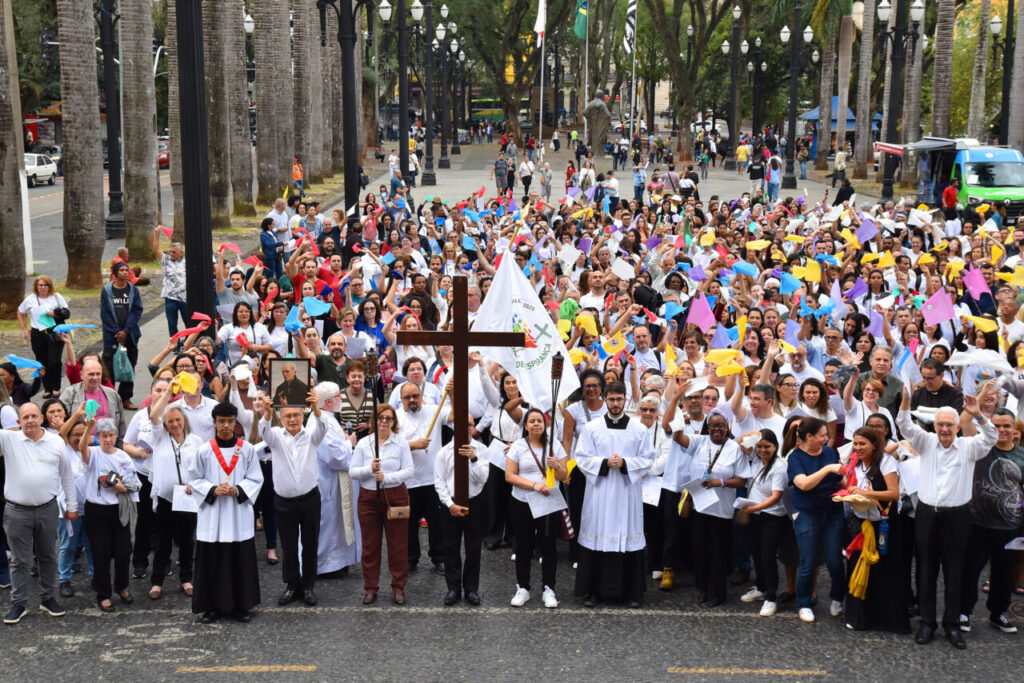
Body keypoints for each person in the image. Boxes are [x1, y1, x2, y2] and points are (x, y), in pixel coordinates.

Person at [896, 385, 997, 649]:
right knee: (926, 569)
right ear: (934, 426)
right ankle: (927, 623)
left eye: (949, 425)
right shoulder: (926, 442)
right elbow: (904, 425)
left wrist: (978, 415)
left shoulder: (969, 447)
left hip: (957, 516)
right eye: (940, 424)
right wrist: (905, 401)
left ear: (957, 427)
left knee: (955, 570)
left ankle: (952, 624)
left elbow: (991, 436)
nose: (944, 429)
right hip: (927, 514)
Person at [573, 381, 654, 607]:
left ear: (625, 399)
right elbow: (581, 457)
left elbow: (648, 458)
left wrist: (626, 463)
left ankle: (631, 594)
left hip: (627, 492)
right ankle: (592, 592)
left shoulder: (639, 429)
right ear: (605, 399)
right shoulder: (592, 428)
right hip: (600, 492)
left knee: (627, 536)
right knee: (597, 534)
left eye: (619, 399)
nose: (615, 403)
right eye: (611, 399)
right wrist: (604, 463)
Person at [1, 402, 78, 624]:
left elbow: (67, 476)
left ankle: (47, 598)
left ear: (42, 418)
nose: (30, 421)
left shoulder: (56, 442)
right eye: (25, 417)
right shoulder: (8, 439)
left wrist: (72, 506)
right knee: (19, 561)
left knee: (48, 556)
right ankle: (19, 603)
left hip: (48, 508)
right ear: (18, 422)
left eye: (34, 416)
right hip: (16, 511)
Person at [188, 401, 264, 623]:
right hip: (214, 514)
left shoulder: (246, 449)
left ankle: (241, 605)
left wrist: (238, 489)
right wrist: (213, 489)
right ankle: (212, 607)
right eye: (221, 421)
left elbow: (256, 478)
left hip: (237, 513)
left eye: (230, 421)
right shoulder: (204, 450)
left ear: (235, 422)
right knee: (212, 561)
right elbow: (194, 479)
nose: (226, 426)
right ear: (214, 422)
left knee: (239, 560)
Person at [259, 388, 327, 606]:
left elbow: (323, 427)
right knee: (288, 546)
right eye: (287, 416)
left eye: (296, 415)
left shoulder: (311, 436)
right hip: (284, 501)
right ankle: (291, 584)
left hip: (309, 499)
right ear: (281, 418)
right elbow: (263, 431)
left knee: (310, 544)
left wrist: (316, 407)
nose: (292, 419)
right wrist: (267, 412)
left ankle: (308, 586)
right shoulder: (276, 437)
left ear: (302, 415)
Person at [957, 408, 1022, 635]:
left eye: (1006, 426)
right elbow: (965, 421)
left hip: (1009, 526)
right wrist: (978, 405)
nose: (1002, 430)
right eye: (997, 426)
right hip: (978, 523)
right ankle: (964, 611)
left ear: (1015, 429)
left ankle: (998, 613)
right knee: (970, 571)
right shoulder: (981, 448)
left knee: (1004, 574)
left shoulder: (1022, 456)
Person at [671, 410, 745, 607]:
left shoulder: (734, 448)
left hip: (721, 510)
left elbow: (742, 480)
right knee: (700, 551)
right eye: (712, 426)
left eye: (721, 426)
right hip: (699, 507)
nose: (716, 429)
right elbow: (678, 438)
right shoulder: (700, 441)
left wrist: (721, 482)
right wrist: (679, 422)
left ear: (727, 428)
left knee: (718, 553)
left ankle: (718, 594)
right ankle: (702, 589)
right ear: (708, 427)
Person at [842, 426, 908, 633]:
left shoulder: (886, 462)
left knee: (885, 571)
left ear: (874, 444)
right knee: (859, 568)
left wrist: (866, 494)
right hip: (860, 524)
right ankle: (859, 618)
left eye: (863, 444)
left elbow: (894, 493)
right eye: (855, 443)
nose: (858, 448)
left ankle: (888, 620)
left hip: (884, 524)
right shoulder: (854, 462)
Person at [506, 408, 571, 608]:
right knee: (523, 545)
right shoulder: (518, 446)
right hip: (523, 501)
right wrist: (534, 485)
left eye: (540, 421)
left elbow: (565, 476)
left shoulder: (554, 445)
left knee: (548, 545)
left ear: (545, 424)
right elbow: (510, 475)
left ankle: (548, 588)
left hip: (548, 503)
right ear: (525, 426)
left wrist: (557, 466)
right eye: (532, 421)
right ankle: (523, 588)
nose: (536, 424)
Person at [146, 381, 203, 601]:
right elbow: (154, 415)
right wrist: (169, 391)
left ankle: (186, 579)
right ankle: (157, 582)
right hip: (166, 499)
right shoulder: (160, 438)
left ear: (184, 420)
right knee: (163, 542)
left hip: (188, 498)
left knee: (188, 541)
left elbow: (201, 469)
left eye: (178, 420)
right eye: (170, 421)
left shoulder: (195, 441)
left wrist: (194, 485)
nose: (175, 424)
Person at [351, 404, 413, 605]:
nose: (384, 421)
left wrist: (387, 477)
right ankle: (370, 587)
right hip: (369, 498)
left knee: (398, 545)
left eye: (388, 418)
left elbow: (409, 470)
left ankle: (399, 586)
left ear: (394, 422)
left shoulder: (401, 443)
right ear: (374, 420)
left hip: (395, 496)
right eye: (380, 418)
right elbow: (353, 471)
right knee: (370, 545)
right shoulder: (364, 443)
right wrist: (369, 469)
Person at [787, 417, 847, 624]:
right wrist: (828, 469)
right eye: (822, 435)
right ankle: (803, 603)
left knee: (834, 560)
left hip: (832, 510)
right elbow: (803, 484)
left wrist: (853, 486)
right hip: (806, 511)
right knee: (808, 560)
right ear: (809, 436)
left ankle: (837, 597)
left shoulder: (829, 452)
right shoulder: (795, 457)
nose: (826, 439)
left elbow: (841, 480)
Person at [78, 417, 140, 613]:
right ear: (97, 437)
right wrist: (88, 427)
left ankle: (122, 586)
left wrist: (123, 487)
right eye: (104, 436)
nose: (108, 440)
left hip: (119, 509)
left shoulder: (123, 456)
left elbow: (135, 482)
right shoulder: (93, 454)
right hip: (97, 510)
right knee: (100, 553)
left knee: (123, 551)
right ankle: (103, 594)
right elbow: (82, 448)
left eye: (111, 435)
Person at [433, 415, 490, 606]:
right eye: (461, 424)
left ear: (473, 427)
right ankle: (453, 588)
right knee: (450, 547)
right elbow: (439, 482)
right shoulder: (444, 452)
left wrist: (473, 459)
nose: (466, 428)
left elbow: (482, 479)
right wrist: (450, 504)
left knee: (473, 548)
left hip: (474, 502)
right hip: (451, 504)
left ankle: (471, 589)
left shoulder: (482, 450)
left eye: (469, 425)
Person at [736, 430, 793, 617]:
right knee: (756, 553)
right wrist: (754, 433)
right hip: (755, 514)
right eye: (759, 446)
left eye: (767, 446)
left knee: (768, 556)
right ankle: (760, 588)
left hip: (772, 516)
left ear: (775, 446)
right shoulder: (755, 459)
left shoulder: (779, 466)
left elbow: (776, 497)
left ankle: (771, 597)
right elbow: (739, 442)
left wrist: (755, 508)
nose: (762, 450)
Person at [395, 379, 444, 575]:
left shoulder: (434, 411)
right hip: (409, 480)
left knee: (437, 522)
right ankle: (410, 558)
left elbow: (456, 415)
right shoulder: (395, 417)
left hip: (433, 478)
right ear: (401, 400)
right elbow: (390, 445)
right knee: (408, 523)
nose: (412, 400)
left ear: (422, 397)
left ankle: (439, 557)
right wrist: (413, 445)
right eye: (407, 397)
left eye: (415, 396)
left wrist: (451, 391)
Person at [311, 383, 360, 575]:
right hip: (327, 481)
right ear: (329, 402)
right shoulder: (322, 421)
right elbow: (336, 457)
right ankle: (325, 565)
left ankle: (336, 562)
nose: (342, 398)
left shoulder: (328, 418)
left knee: (336, 523)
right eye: (339, 395)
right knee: (328, 523)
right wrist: (349, 443)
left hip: (334, 481)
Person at [100, 262, 144, 410]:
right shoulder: (107, 290)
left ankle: (125, 397)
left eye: (127, 270)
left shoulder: (133, 290)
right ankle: (110, 399)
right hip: (111, 336)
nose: (125, 272)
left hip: (130, 335)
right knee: (109, 368)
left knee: (129, 365)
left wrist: (126, 331)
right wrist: (116, 332)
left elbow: (137, 310)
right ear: (115, 272)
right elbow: (105, 313)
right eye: (122, 270)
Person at [17, 275, 68, 399]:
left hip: (55, 332)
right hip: (38, 333)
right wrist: (24, 328)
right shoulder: (31, 299)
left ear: (50, 286)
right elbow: (20, 311)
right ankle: (47, 388)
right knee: (42, 361)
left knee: (54, 361)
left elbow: (66, 313)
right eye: (40, 285)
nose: (43, 288)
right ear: (36, 286)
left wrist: (53, 314)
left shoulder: (56, 297)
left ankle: (56, 387)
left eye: (45, 285)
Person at [153, 237, 188, 336]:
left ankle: (189, 341)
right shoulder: (166, 260)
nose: (171, 254)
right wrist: (157, 233)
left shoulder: (186, 262)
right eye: (170, 252)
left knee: (188, 322)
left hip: (185, 298)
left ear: (181, 252)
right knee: (172, 324)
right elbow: (155, 250)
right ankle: (175, 342)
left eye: (174, 252)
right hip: (170, 298)